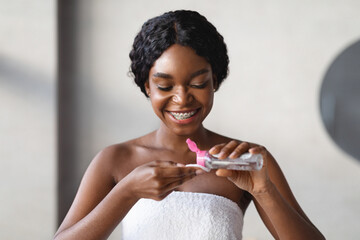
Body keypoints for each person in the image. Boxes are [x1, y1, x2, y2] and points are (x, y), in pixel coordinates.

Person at [54, 10, 325, 240]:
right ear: (147, 86)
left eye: (198, 83)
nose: (182, 99)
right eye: (164, 85)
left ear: (215, 80)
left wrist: (263, 190)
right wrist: (127, 192)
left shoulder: (248, 159)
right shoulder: (115, 160)